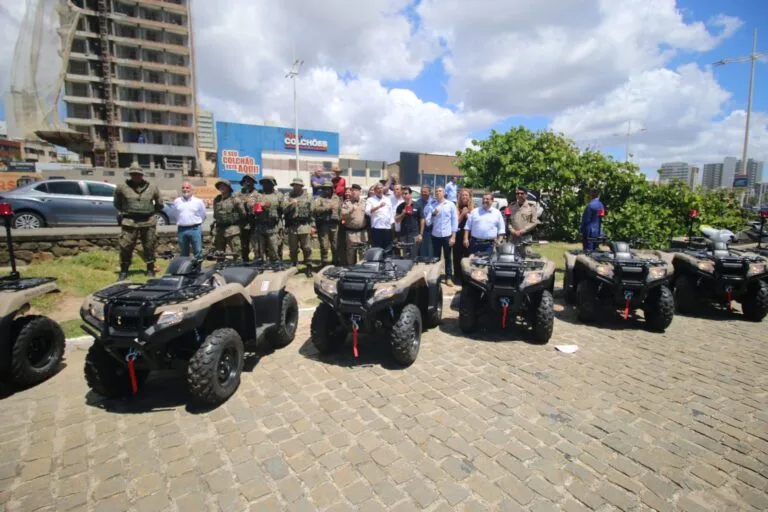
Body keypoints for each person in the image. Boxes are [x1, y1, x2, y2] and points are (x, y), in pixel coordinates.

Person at [113, 162, 164, 280]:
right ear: (130, 174)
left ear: (142, 175)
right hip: (130, 221)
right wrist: (128, 211)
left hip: (148, 221)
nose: (136, 176)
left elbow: (160, 203)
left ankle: (150, 268)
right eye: (133, 174)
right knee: (125, 246)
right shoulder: (121, 187)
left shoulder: (152, 187)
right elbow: (117, 203)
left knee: (149, 245)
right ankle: (124, 270)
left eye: (138, 174)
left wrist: (150, 212)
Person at [425, 186, 458, 286]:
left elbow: (454, 221)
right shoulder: (432, 205)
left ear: (444, 193)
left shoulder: (450, 204)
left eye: (440, 191)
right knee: (436, 258)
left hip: (447, 235)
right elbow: (427, 222)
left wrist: (453, 236)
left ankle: (448, 277)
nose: (438, 193)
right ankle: (436, 277)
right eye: (436, 191)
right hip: (436, 235)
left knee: (448, 257)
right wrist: (433, 214)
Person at [284, 177, 313, 276]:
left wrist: (313, 226)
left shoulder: (308, 196)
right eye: (294, 185)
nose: (296, 187)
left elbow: (312, 212)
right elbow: (284, 210)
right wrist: (292, 204)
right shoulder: (288, 196)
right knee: (293, 248)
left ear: (301, 186)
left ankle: (308, 266)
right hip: (292, 226)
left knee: (307, 248)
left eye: (298, 185)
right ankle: (294, 266)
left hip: (304, 226)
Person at [250, 175, 284, 261]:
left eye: (268, 183)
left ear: (273, 184)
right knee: (260, 249)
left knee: (274, 248)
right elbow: (250, 205)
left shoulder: (279, 195)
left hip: (274, 226)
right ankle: (262, 264)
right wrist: (261, 205)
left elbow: (283, 209)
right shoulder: (258, 194)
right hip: (260, 226)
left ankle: (275, 263)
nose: (266, 185)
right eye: (264, 183)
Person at [173, 181, 206, 259]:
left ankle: (197, 269)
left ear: (192, 189)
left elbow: (203, 215)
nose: (185, 189)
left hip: (195, 229)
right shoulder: (177, 201)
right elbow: (175, 214)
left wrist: (194, 221)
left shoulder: (198, 201)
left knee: (198, 251)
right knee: (183, 252)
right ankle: (185, 270)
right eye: (183, 188)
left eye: (187, 187)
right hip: (182, 229)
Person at [312, 179, 341, 267]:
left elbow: (340, 210)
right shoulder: (319, 198)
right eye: (325, 188)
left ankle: (335, 262)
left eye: (329, 188)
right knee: (324, 246)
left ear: (332, 189)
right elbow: (315, 209)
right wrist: (327, 208)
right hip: (324, 225)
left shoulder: (336, 198)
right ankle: (324, 262)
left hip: (335, 225)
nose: (327, 190)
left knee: (335, 245)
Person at [212, 180, 245, 254]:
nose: (222, 187)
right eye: (220, 186)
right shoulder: (217, 200)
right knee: (219, 254)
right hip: (219, 231)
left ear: (229, 188)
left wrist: (234, 220)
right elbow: (215, 214)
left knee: (236, 254)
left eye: (224, 185)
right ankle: (220, 265)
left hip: (232, 231)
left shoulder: (235, 200)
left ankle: (237, 266)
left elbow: (243, 214)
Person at [394, 186, 424, 259]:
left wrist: (420, 234)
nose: (404, 195)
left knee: (413, 255)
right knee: (404, 255)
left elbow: (422, 220)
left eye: (406, 193)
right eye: (403, 194)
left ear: (410, 194)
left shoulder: (417, 205)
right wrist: (403, 214)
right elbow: (397, 220)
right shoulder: (400, 207)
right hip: (403, 234)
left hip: (414, 234)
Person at [341, 184, 368, 265]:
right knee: (351, 252)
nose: (354, 193)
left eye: (356, 191)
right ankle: (351, 268)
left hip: (362, 232)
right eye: (353, 191)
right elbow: (342, 214)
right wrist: (352, 209)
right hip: (351, 232)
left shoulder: (365, 202)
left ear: (360, 192)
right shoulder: (347, 203)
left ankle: (362, 268)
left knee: (363, 252)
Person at [507, 186, 540, 250]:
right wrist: (512, 230)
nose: (519, 195)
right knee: (511, 257)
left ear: (526, 195)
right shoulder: (511, 206)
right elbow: (508, 221)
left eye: (522, 193)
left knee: (526, 257)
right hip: (513, 238)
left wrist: (522, 231)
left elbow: (534, 222)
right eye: (518, 193)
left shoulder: (531, 206)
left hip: (526, 238)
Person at [365, 182, 394, 256]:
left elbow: (391, 212)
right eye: (378, 188)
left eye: (381, 188)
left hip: (387, 227)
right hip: (377, 228)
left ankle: (387, 263)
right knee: (377, 249)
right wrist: (379, 206)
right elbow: (368, 212)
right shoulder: (370, 200)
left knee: (388, 248)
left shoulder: (387, 199)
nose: (380, 190)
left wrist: (391, 224)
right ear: (374, 191)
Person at [453, 188, 474, 282]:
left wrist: (468, 214)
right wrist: (462, 214)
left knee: (468, 256)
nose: (464, 197)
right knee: (457, 256)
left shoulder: (474, 208)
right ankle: (457, 276)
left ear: (470, 197)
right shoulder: (456, 208)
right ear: (460, 197)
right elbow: (455, 223)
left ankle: (467, 276)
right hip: (458, 234)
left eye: (466, 195)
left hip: (469, 235)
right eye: (463, 195)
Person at [236, 175, 257, 261]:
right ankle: (245, 261)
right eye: (245, 181)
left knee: (256, 244)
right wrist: (241, 203)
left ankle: (257, 262)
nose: (247, 183)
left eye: (250, 181)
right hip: (243, 224)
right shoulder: (238, 194)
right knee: (244, 245)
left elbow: (259, 208)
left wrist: (252, 204)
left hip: (255, 223)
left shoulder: (258, 194)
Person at [581, 186, 605, 251]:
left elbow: (586, 220)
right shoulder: (601, 205)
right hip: (598, 230)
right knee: (595, 249)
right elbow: (601, 216)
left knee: (588, 250)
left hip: (589, 231)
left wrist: (581, 230)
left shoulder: (590, 205)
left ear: (592, 194)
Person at [416, 185, 437, 258]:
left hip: (432, 228)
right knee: (422, 249)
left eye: (425, 192)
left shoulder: (435, 202)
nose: (423, 193)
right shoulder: (417, 203)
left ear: (429, 192)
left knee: (431, 248)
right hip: (422, 229)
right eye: (422, 192)